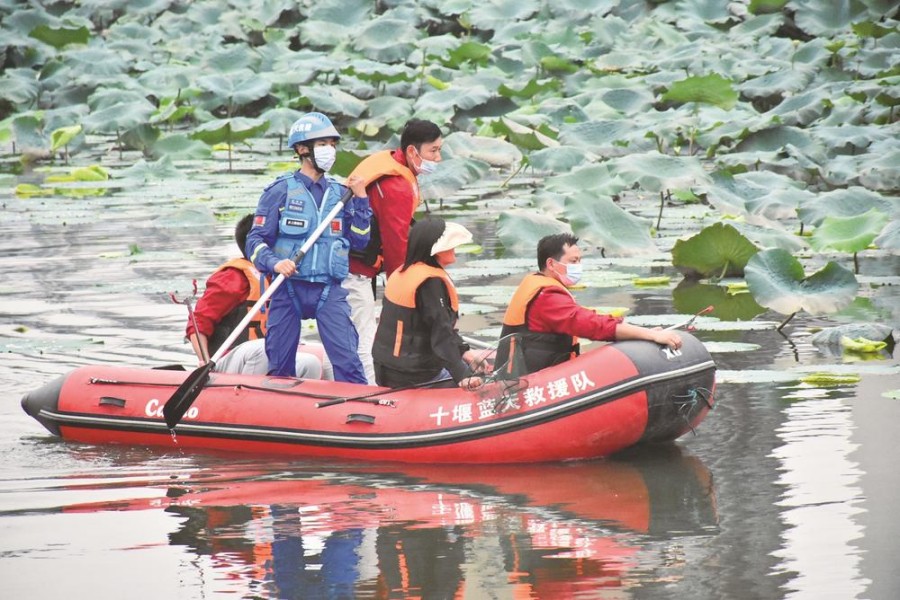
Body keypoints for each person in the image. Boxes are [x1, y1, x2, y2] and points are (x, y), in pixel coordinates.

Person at [246, 112, 371, 383]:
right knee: (280, 367)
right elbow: (254, 242)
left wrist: (361, 201)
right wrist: (274, 263)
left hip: (328, 289)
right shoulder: (278, 192)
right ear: (303, 149)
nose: (331, 151)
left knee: (349, 363)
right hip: (287, 287)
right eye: (323, 144)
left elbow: (360, 241)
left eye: (333, 145)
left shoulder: (341, 194)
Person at [495, 233, 683, 375]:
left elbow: (589, 317)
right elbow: (590, 324)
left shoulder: (542, 285)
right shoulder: (547, 296)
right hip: (531, 379)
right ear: (551, 264)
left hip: (540, 370)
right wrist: (649, 334)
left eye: (580, 261)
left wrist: (641, 332)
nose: (578, 266)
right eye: (573, 261)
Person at [344, 119, 444, 384]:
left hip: (355, 268)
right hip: (353, 272)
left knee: (358, 332)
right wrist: (406, 289)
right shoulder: (397, 185)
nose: (439, 157)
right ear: (412, 151)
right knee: (364, 336)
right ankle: (368, 395)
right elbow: (396, 243)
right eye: (433, 151)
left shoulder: (393, 163)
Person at [185, 214, 326, 378]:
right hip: (228, 361)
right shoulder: (232, 277)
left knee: (313, 362)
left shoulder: (278, 276)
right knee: (261, 349)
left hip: (267, 354)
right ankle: (246, 397)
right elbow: (198, 323)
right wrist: (205, 363)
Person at [372, 218, 485, 390]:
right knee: (481, 383)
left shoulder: (405, 272)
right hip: (414, 375)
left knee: (466, 365)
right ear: (436, 250)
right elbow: (441, 334)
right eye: (450, 245)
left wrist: (464, 351)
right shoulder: (430, 283)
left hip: (386, 370)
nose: (454, 248)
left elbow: (438, 327)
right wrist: (463, 375)